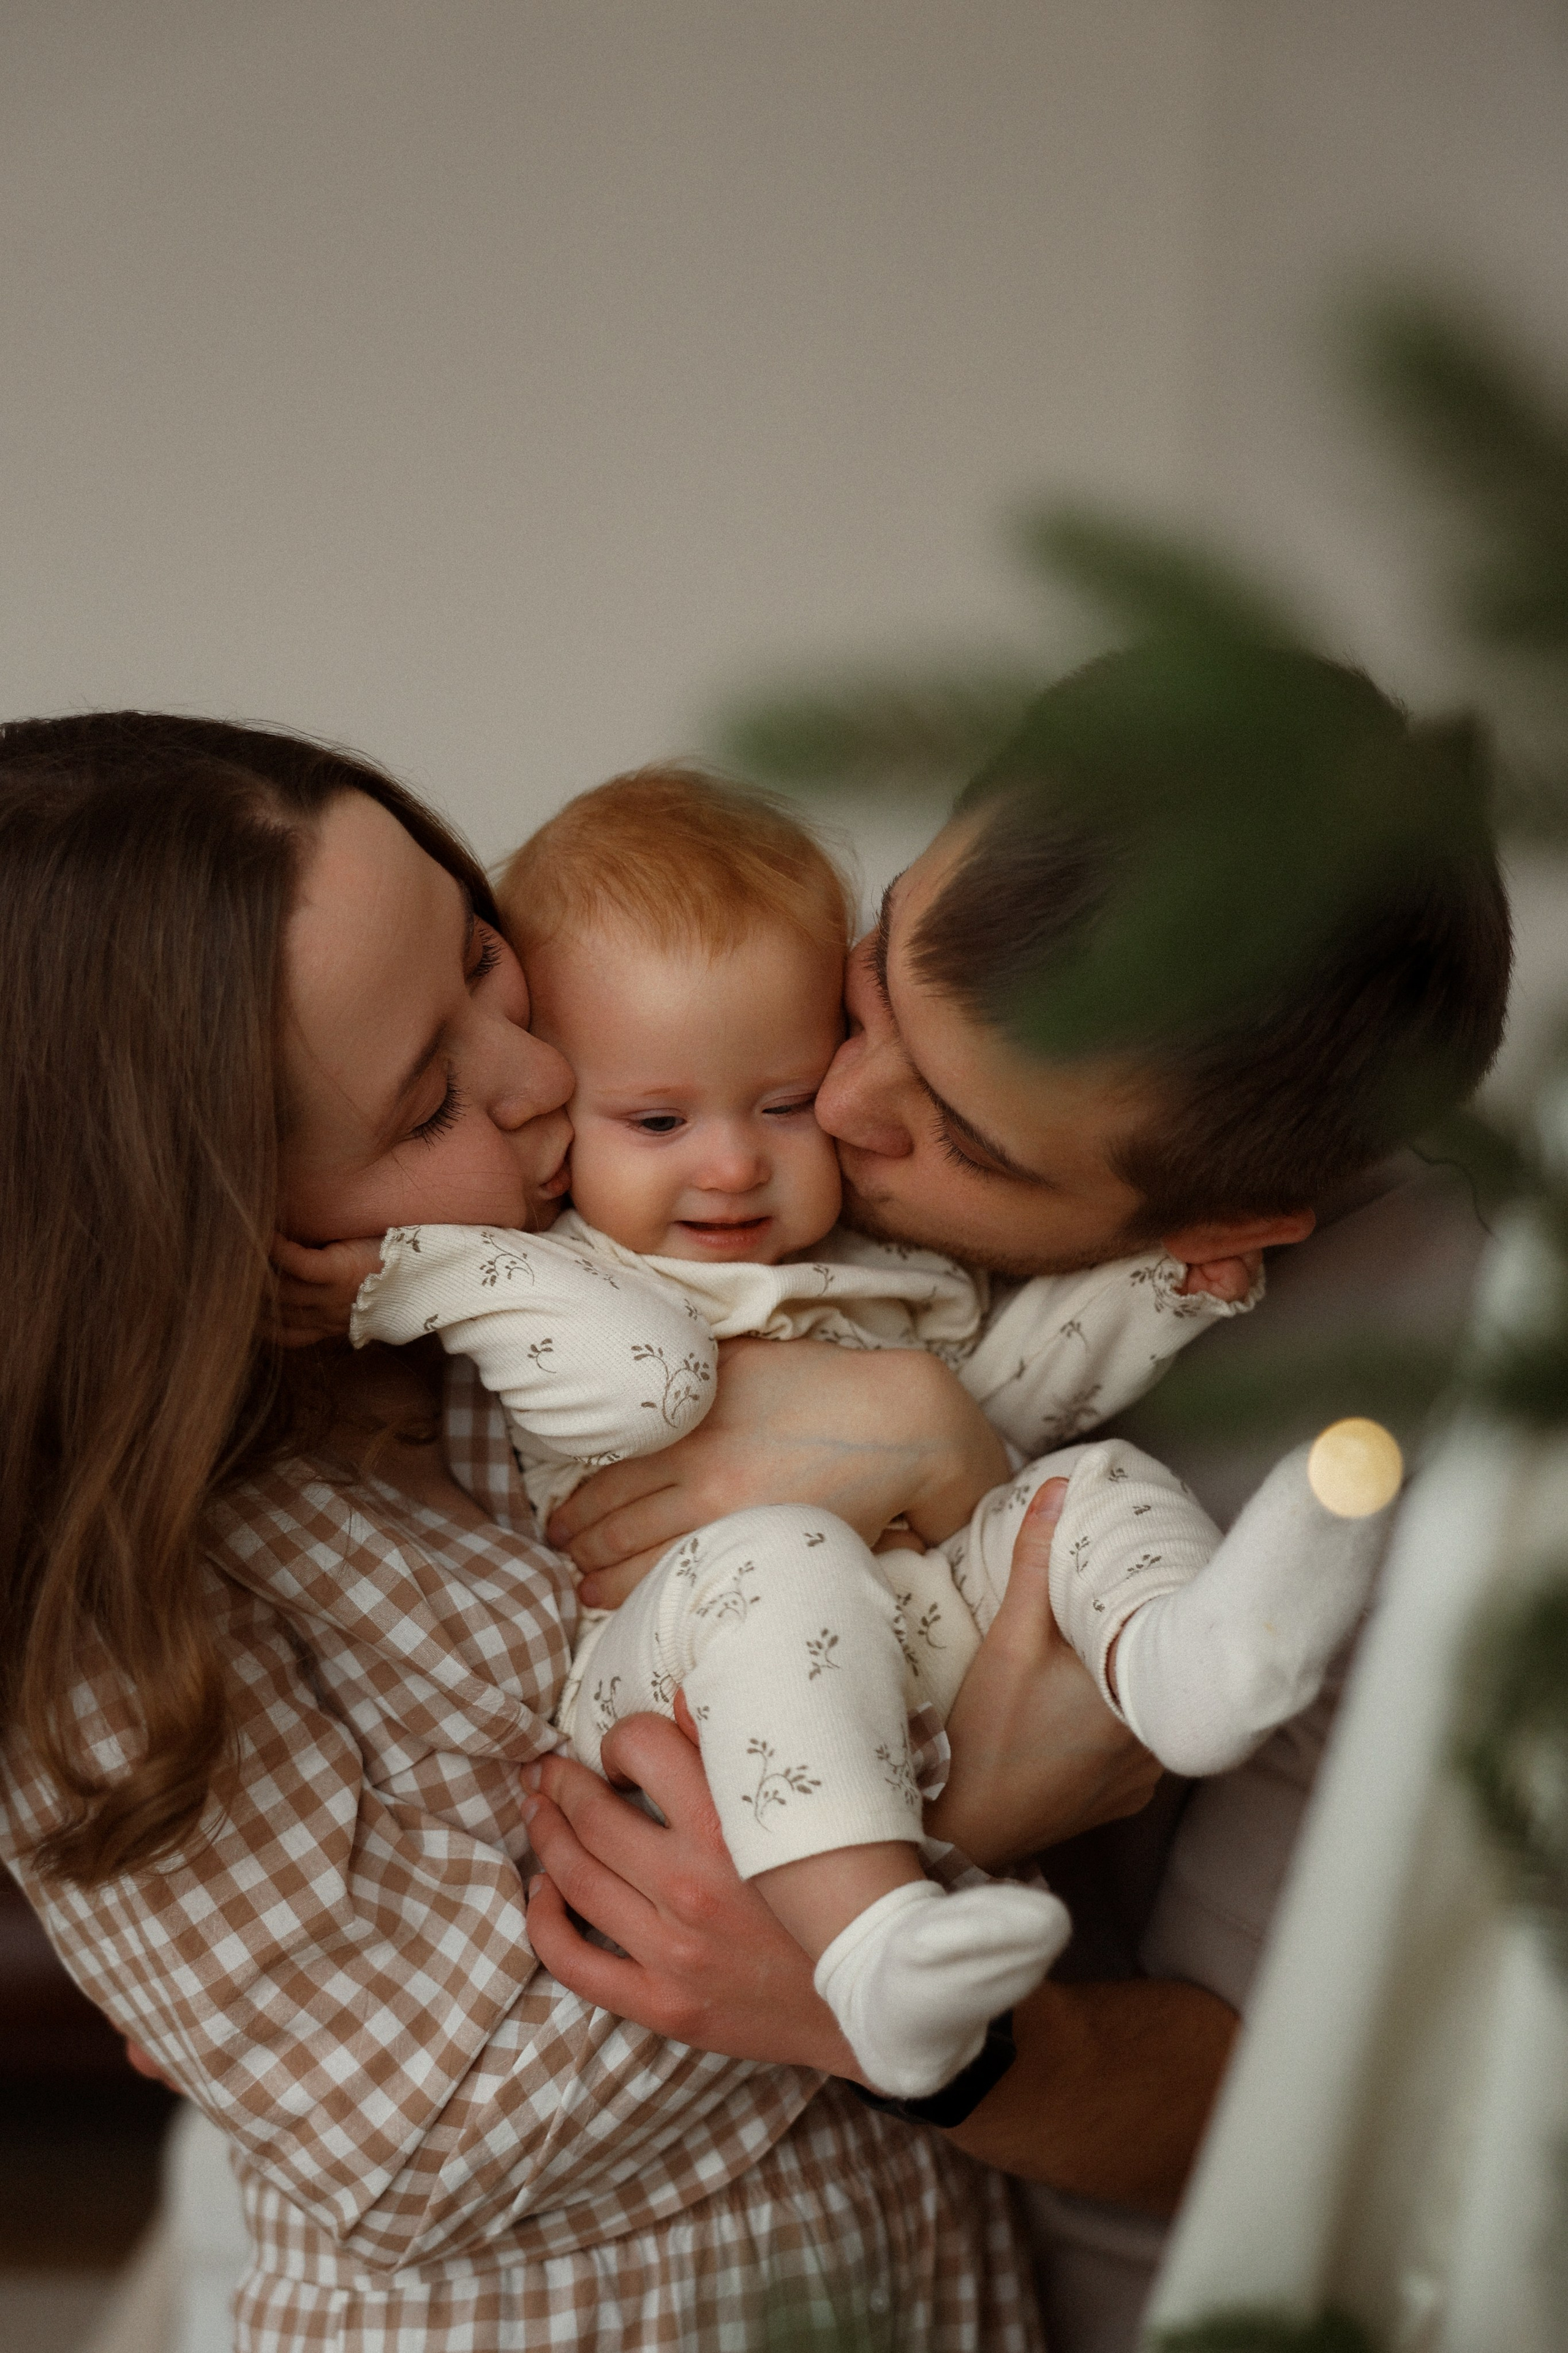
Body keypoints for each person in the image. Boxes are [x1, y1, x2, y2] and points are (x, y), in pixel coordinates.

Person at [0, 711, 1080, 2351]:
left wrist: (935, 1432)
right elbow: (419, 2150)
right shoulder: (117, 1629)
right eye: (434, 1091)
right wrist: (958, 1815)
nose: (544, 1072)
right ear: (219, 1237)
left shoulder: (557, 1306)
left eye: (483, 956)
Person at [497, 648, 1511, 2287]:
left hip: (990, 2236)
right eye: (885, 967)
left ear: (1221, 1235)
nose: (830, 1098)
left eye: (961, 1140)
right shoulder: (701, 1057)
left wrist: (854, 1987)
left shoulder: (1416, 1406)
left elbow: (1275, 2106)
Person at [344, 765, 1395, 2103]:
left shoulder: (874, 1256)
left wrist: (1169, 1283)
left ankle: (1184, 1656)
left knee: (1088, 1486)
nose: (738, 1161)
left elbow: (1002, 1391)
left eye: (779, 1098)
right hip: (696, 1674)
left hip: (925, 1642)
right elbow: (631, 1385)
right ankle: (869, 1948)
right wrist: (423, 1265)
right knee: (776, 1557)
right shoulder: (571, 1269)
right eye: (659, 1121)